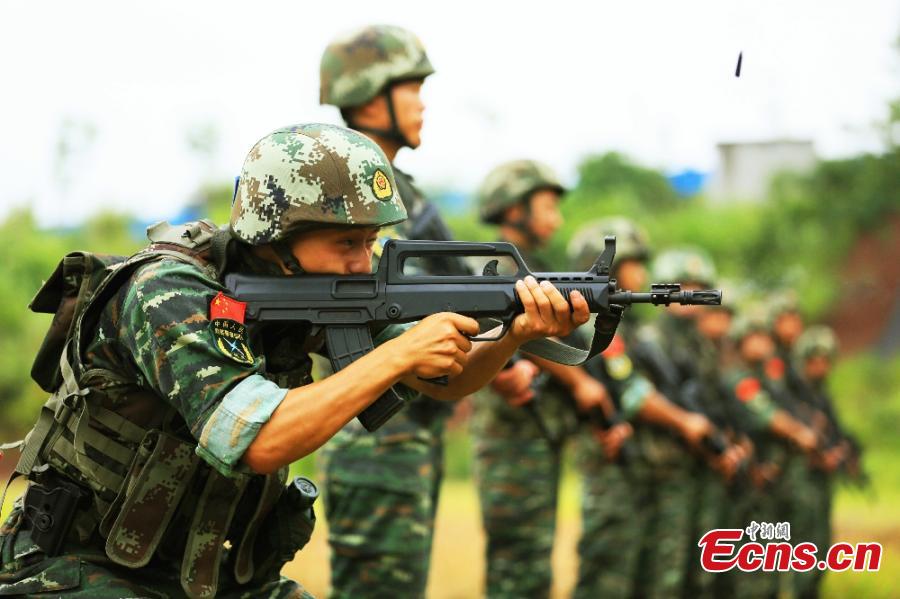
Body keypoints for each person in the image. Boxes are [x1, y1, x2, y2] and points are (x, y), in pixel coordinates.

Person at [0, 124, 589, 598]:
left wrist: (512, 336)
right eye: (347, 242)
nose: (366, 260)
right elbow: (255, 437)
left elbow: (444, 379)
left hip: (212, 574)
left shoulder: (323, 280)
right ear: (276, 236)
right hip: (81, 569)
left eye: (371, 239)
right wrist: (395, 356)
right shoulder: (167, 291)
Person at [317, 24, 472, 598]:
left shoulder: (407, 195)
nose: (422, 102)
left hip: (416, 429)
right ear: (367, 96)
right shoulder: (338, 193)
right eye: (410, 87)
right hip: (373, 442)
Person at [470, 162, 624, 598]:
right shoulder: (495, 265)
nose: (556, 217)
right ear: (515, 208)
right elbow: (507, 330)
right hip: (512, 434)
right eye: (548, 206)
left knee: (531, 562)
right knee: (518, 563)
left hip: (535, 431)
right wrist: (578, 383)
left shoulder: (533, 265)